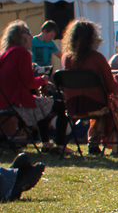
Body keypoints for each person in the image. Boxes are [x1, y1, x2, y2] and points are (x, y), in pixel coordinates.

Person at [61, 19, 118, 156]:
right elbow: (113, 89)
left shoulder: (66, 58)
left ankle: (93, 143)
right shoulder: (97, 58)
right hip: (96, 105)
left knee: (103, 101)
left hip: (74, 106)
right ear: (92, 39)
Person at [0, 21, 71, 154]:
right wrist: (43, 80)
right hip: (17, 103)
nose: (31, 36)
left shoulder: (5, 53)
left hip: (5, 102)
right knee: (61, 106)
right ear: (20, 35)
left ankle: (45, 143)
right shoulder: (22, 52)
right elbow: (29, 83)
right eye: (28, 32)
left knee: (43, 103)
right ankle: (61, 145)